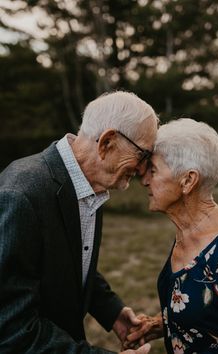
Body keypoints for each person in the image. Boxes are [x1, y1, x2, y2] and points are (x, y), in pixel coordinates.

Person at [0, 91, 159, 354]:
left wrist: (112, 312)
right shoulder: (21, 196)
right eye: (143, 155)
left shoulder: (90, 185)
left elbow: (72, 260)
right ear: (107, 142)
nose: (143, 170)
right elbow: (11, 329)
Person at [125, 118, 218, 353]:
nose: (144, 180)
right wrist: (162, 324)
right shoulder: (186, 234)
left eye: (153, 170)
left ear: (188, 180)